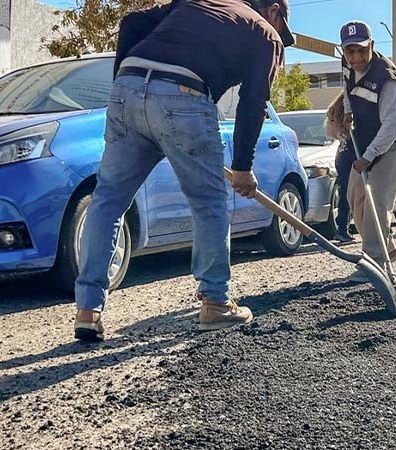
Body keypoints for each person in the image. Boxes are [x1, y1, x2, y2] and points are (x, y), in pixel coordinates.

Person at [73, 0, 295, 341]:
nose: (282, 37)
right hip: (183, 94)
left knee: (108, 201)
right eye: (283, 27)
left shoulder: (199, 2)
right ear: (275, 12)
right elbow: (253, 103)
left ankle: (88, 310)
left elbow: (131, 22)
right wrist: (242, 168)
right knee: (209, 203)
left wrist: (126, 85)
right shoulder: (266, 33)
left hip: (127, 88)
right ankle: (216, 302)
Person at [338, 21, 396, 282]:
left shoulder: (386, 78)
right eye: (350, 51)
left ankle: (374, 263)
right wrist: (348, 111)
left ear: (372, 46)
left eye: (362, 50)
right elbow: (347, 89)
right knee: (355, 198)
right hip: (365, 140)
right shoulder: (347, 64)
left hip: (390, 146)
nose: (356, 57)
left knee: (376, 204)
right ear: (344, 51)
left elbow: (392, 125)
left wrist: (369, 156)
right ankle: (385, 247)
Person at [324, 94, 354, 243]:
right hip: (353, 154)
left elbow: (330, 133)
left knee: (344, 192)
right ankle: (349, 226)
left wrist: (342, 135)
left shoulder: (334, 111)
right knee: (358, 191)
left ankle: (342, 228)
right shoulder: (352, 112)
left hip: (341, 154)